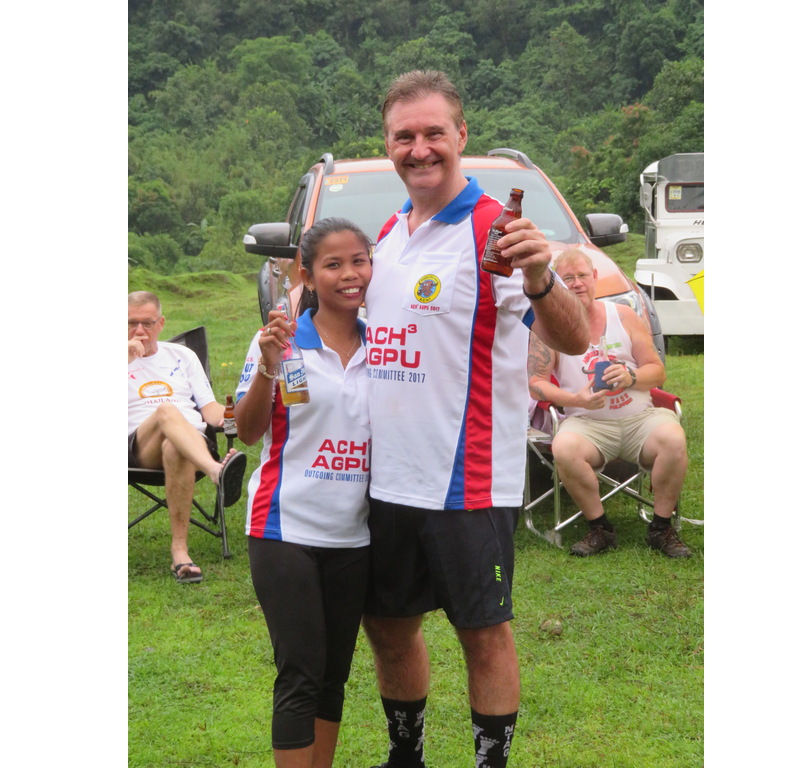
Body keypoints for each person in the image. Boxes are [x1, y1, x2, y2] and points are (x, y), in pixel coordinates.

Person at [361, 70, 590, 768]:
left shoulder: (497, 229)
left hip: (467, 481)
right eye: (404, 136)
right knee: (388, 627)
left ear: (461, 135)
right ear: (388, 145)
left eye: (434, 133)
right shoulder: (389, 233)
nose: (420, 149)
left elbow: (575, 337)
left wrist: (541, 278)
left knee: (483, 634)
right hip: (385, 478)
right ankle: (406, 757)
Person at [233, 218, 373, 768]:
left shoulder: (384, 344)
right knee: (300, 672)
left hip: (354, 535)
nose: (349, 274)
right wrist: (268, 369)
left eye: (359, 261)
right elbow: (247, 432)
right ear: (307, 276)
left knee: (334, 676)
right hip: (284, 527)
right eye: (333, 265)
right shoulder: (280, 341)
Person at [527, 249, 692, 558]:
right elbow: (536, 383)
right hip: (586, 423)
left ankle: (661, 527)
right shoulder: (547, 327)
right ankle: (599, 528)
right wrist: (575, 399)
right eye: (568, 278)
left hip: (640, 418)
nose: (577, 283)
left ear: (595, 278)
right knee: (565, 447)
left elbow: (657, 371)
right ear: (557, 284)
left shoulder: (624, 316)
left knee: (673, 437)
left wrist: (631, 376)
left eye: (582, 276)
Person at [128, 290, 247, 583]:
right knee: (167, 411)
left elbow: (209, 409)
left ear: (161, 323)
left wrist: (235, 417)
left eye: (147, 323)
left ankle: (180, 552)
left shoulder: (183, 356)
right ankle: (217, 471)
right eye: (131, 323)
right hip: (138, 447)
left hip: (190, 443)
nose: (140, 331)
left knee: (175, 447)